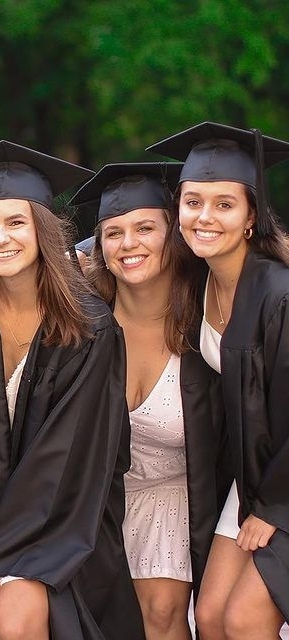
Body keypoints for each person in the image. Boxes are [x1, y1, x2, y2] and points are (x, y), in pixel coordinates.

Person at [0, 140, 144, 639]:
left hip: (64, 529)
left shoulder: (90, 328)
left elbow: (65, 458)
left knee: (13, 620)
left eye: (16, 222)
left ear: (42, 228)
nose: (0, 238)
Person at [71, 162, 230, 639]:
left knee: (161, 611)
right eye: (113, 232)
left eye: (145, 228)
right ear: (98, 247)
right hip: (99, 499)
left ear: (173, 234)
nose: (129, 244)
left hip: (181, 490)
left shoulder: (208, 321)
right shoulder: (81, 325)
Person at [147, 121, 289, 639]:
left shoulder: (278, 295)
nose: (204, 217)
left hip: (282, 488)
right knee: (207, 617)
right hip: (254, 479)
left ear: (252, 216)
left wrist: (273, 509)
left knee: (245, 618)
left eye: (224, 204)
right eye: (192, 202)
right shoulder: (200, 285)